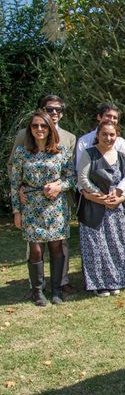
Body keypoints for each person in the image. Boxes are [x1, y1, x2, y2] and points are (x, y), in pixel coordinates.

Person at [10, 95, 76, 295]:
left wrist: (59, 186)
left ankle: (57, 289)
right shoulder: (22, 149)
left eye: (43, 127)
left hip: (54, 206)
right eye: (35, 126)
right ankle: (37, 290)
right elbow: (14, 180)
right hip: (30, 204)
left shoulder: (64, 147)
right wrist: (16, 208)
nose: (39, 129)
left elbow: (71, 176)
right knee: (36, 250)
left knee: (58, 247)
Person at [77, 122, 125, 296]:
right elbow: (82, 178)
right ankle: (100, 284)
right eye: (104, 134)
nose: (108, 138)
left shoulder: (121, 156)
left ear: (117, 135)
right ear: (98, 135)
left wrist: (120, 196)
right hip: (94, 207)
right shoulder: (90, 154)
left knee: (116, 245)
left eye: (112, 135)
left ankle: (116, 280)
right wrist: (100, 195)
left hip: (115, 208)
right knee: (97, 247)